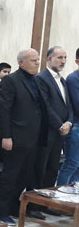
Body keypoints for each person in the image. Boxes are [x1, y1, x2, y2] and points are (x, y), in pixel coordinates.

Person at [0, 49, 47, 225]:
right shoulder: (11, 80)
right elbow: (4, 110)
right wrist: (6, 136)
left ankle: (12, 206)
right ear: (21, 62)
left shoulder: (36, 80)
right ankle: (1, 211)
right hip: (16, 136)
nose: (37, 63)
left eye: (38, 60)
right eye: (33, 60)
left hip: (34, 136)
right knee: (10, 175)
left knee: (25, 175)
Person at [35, 47, 73, 189]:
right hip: (47, 132)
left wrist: (69, 122)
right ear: (49, 59)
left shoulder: (62, 80)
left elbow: (68, 105)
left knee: (53, 169)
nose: (63, 61)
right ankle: (36, 200)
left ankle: (48, 198)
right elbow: (46, 106)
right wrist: (60, 125)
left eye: (65, 57)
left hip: (60, 132)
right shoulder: (41, 78)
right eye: (59, 57)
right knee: (41, 169)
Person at [58, 48, 79, 185]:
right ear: (77, 61)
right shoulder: (73, 79)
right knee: (71, 164)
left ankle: (73, 194)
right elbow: (77, 105)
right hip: (75, 126)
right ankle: (60, 193)